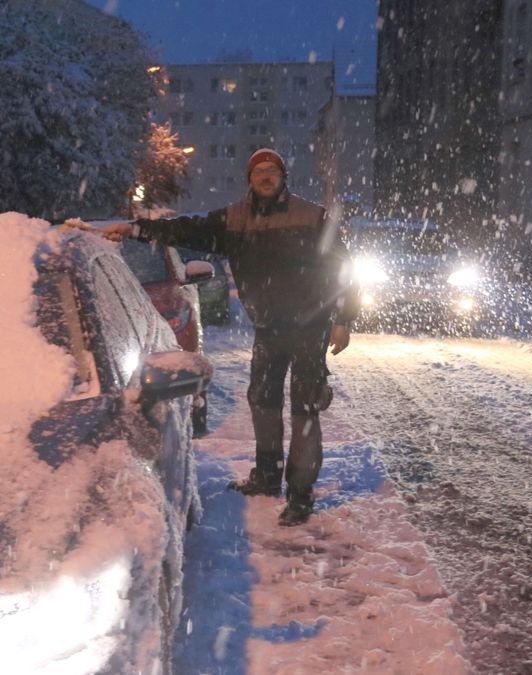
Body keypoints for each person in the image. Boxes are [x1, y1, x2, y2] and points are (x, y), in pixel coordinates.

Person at [75, 148, 359, 526]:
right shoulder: (234, 219)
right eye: (258, 171)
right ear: (249, 179)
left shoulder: (311, 217)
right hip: (269, 327)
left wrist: (344, 318)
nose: (265, 177)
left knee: (304, 407)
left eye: (271, 171)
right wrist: (137, 229)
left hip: (310, 326)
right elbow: (184, 228)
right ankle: (267, 476)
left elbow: (344, 267)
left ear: (282, 177)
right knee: (263, 400)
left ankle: (301, 495)